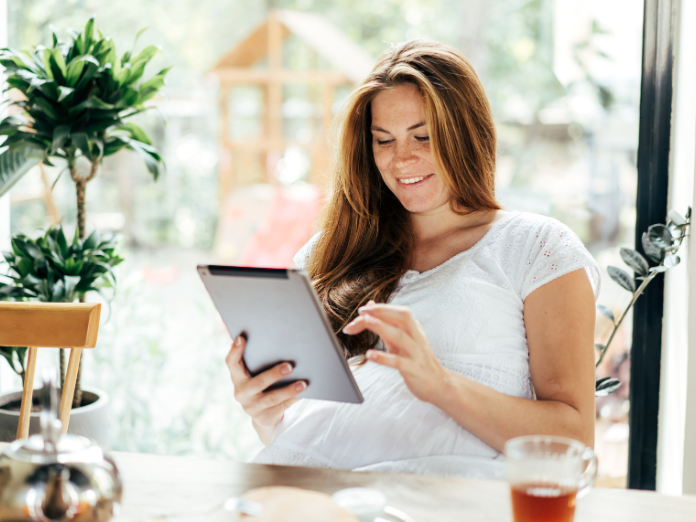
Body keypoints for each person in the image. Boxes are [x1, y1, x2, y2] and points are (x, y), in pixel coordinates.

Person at [225, 40, 600, 479]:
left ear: (467, 133)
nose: (402, 158)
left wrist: (440, 385)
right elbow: (303, 431)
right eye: (383, 140)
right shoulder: (327, 254)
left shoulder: (537, 247)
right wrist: (265, 409)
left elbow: (573, 441)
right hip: (309, 492)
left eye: (422, 136)